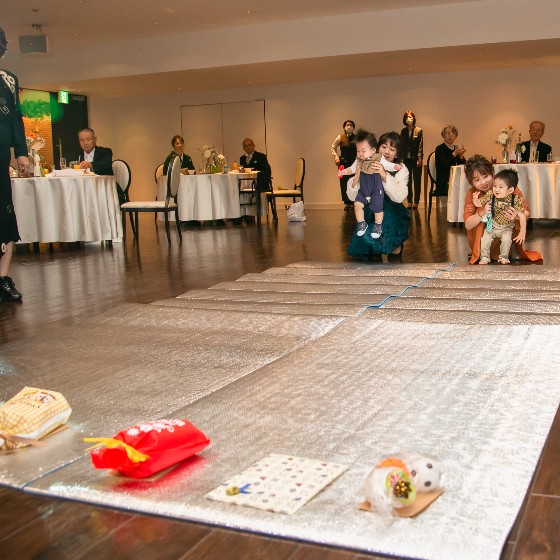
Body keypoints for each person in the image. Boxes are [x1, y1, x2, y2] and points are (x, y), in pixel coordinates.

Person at [463, 154, 542, 265]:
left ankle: (512, 246)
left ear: (492, 173)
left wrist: (516, 216)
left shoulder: (507, 186)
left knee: (516, 212)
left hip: (506, 228)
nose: (483, 182)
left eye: (485, 176)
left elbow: (526, 213)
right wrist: (482, 212)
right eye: (477, 180)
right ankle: (483, 251)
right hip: (486, 232)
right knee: (480, 216)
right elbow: (468, 225)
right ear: (472, 182)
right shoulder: (472, 194)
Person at [347, 131, 410, 261]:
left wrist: (383, 174)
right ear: (375, 148)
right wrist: (358, 175)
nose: (386, 152)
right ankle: (374, 249)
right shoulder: (365, 163)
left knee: (389, 215)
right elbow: (352, 196)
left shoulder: (401, 169)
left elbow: (398, 197)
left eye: (392, 149)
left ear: (397, 153)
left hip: (392, 208)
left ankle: (395, 246)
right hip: (372, 209)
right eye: (384, 147)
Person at [0, 26, 25, 302]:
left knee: (5, 219)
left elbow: (16, 119)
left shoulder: (8, 80)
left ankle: (3, 278)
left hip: (0, 163)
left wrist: (21, 152)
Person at [339, 129, 402, 239]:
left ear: (373, 150)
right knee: (357, 205)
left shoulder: (378, 158)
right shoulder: (358, 161)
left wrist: (395, 166)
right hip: (363, 190)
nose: (360, 154)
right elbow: (352, 169)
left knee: (378, 208)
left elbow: (388, 165)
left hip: (376, 190)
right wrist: (343, 172)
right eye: (358, 151)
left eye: (363, 151)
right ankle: (361, 223)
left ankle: (378, 225)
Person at [473, 169, 527, 265]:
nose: (496, 189)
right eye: (495, 186)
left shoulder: (515, 199)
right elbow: (479, 204)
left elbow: (522, 216)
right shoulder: (491, 195)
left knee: (507, 240)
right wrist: (475, 200)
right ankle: (485, 257)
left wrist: (522, 232)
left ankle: (504, 257)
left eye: (501, 187)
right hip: (492, 226)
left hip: (507, 227)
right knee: (485, 240)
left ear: (510, 190)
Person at [331, 120, 357, 210]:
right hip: (343, 163)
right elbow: (333, 147)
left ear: (354, 127)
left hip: (354, 164)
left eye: (351, 125)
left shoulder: (357, 138)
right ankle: (347, 203)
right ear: (344, 127)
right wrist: (336, 157)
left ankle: (353, 202)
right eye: (347, 125)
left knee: (354, 182)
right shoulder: (340, 137)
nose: (349, 126)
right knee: (344, 183)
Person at [434, 124, 467, 196]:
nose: (450, 135)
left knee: (468, 184)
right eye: (447, 133)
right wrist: (454, 154)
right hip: (444, 182)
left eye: (452, 133)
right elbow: (444, 165)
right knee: (462, 188)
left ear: (456, 136)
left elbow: (464, 167)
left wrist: (461, 156)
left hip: (456, 180)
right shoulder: (440, 149)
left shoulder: (456, 148)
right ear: (443, 135)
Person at [400, 111, 423, 209]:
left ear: (413, 118)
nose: (409, 119)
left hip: (416, 159)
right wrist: (401, 158)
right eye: (407, 117)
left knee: (417, 180)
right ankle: (409, 201)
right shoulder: (403, 131)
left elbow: (420, 145)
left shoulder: (419, 130)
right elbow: (401, 145)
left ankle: (416, 202)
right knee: (408, 181)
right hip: (406, 159)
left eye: (410, 117)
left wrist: (419, 158)